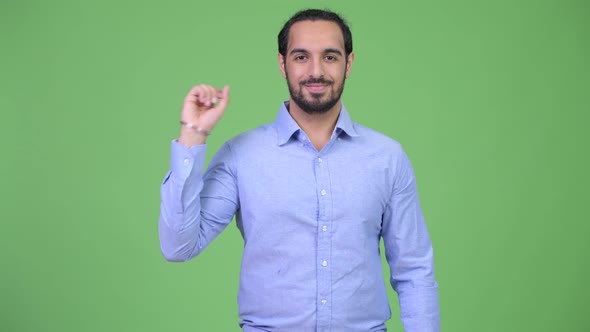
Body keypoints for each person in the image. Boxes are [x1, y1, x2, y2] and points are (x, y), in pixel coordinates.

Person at [159, 8, 439, 332]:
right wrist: (193, 132)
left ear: (349, 63)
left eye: (330, 57)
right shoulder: (241, 155)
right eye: (301, 57)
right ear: (283, 64)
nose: (316, 71)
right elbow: (178, 246)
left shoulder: (387, 158)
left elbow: (414, 271)